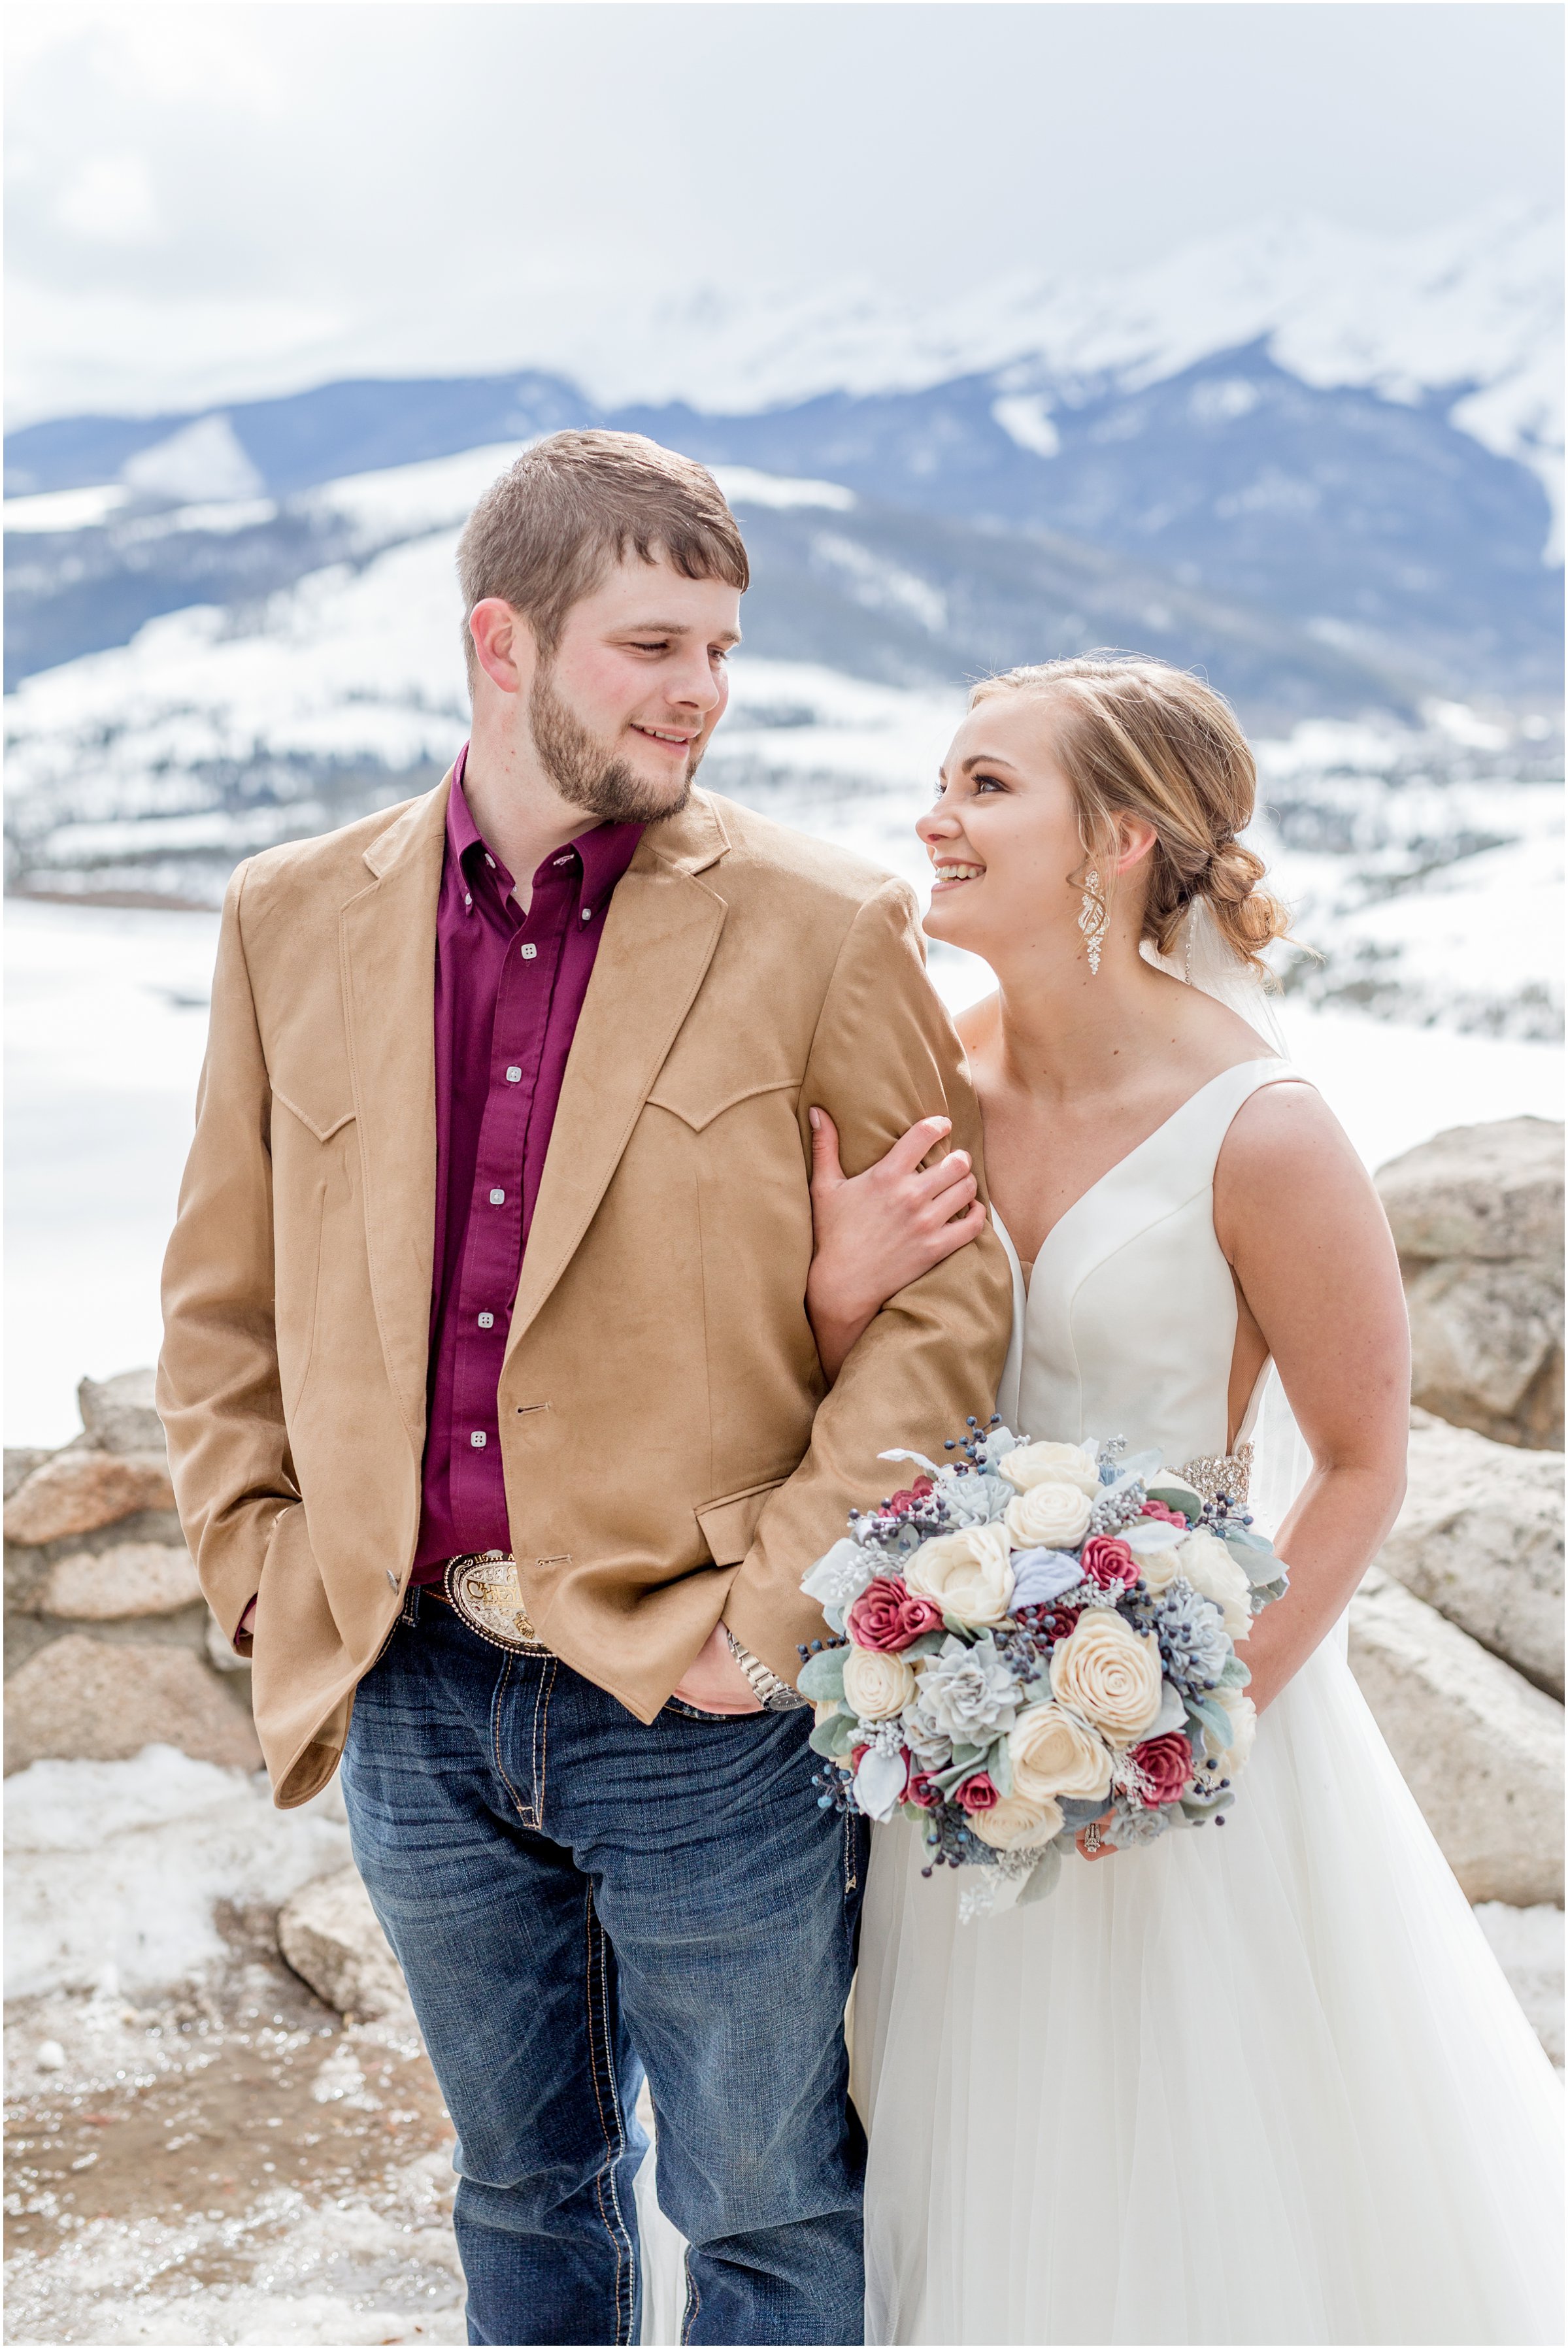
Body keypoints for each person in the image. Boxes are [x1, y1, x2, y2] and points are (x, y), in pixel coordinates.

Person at [157, 430, 1013, 2348]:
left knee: (769, 2202)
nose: (701, 688)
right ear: (503, 640)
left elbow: (949, 1314)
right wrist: (264, 1572)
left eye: (720, 645)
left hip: (704, 1703)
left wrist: (771, 1613)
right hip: (416, 1686)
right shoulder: (287, 914)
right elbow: (223, 1298)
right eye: (651, 644)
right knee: (518, 2188)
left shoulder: (821, 925)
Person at [804, 656, 1564, 2346]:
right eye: (945, 775)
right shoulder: (927, 1074)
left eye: (988, 784)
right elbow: (856, 1377)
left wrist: (1188, 1713)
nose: (936, 814)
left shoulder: (1265, 1128)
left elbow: (1366, 1459)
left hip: (1196, 1741)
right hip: (943, 1726)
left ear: (1121, 840)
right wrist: (840, 1299)